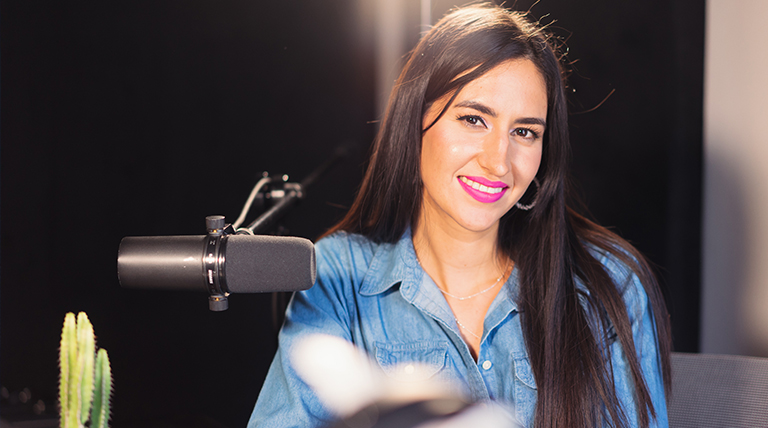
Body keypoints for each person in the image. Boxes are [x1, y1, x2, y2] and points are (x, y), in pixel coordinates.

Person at [249, 3, 671, 427]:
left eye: (524, 132)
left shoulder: (607, 285)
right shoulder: (339, 278)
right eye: (473, 119)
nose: (498, 163)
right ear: (415, 120)